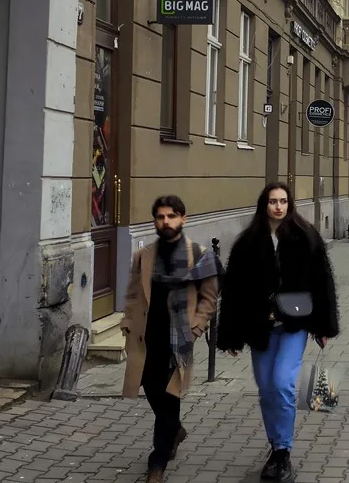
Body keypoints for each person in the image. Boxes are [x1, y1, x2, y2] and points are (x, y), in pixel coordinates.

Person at [217, 183, 339, 482]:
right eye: (273, 201)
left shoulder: (305, 236)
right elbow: (232, 291)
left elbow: (323, 282)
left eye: (283, 201)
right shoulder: (248, 243)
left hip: (293, 325)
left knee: (283, 383)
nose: (278, 207)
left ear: (290, 204)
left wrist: (324, 326)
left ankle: (283, 452)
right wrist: (231, 334)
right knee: (266, 389)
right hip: (260, 326)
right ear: (264, 205)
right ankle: (275, 446)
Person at [120, 196, 220, 483]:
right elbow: (132, 294)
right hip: (147, 339)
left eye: (172, 216)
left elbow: (209, 299)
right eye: (160, 217)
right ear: (155, 221)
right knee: (152, 392)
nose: (166, 222)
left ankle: (157, 464)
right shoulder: (144, 256)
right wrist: (128, 322)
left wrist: (197, 327)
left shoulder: (200, 255)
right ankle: (175, 430)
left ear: (183, 219)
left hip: (180, 340)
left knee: (169, 400)